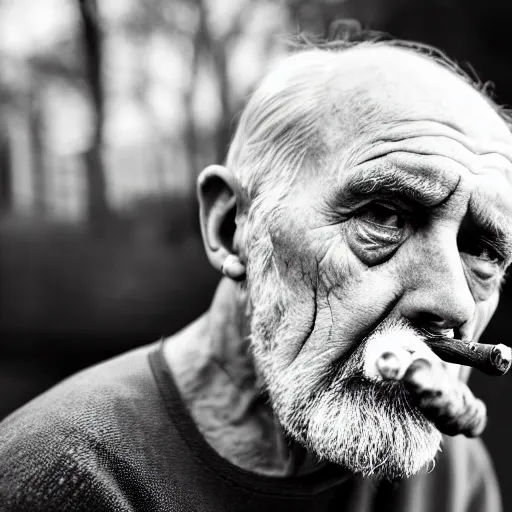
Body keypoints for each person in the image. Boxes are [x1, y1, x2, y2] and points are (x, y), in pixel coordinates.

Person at [1, 23, 511, 512]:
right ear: (231, 227)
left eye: (485, 252)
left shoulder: (454, 474)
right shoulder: (53, 478)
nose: (453, 302)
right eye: (384, 215)